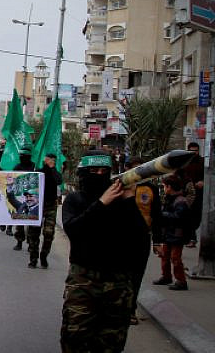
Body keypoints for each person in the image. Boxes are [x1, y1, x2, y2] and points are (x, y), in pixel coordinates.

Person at [60, 150, 149, 352]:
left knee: (111, 342)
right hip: (83, 281)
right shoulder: (75, 200)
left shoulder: (122, 201)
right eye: (93, 170)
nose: (99, 175)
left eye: (104, 171)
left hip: (118, 283)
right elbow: (74, 230)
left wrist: (129, 202)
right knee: (74, 338)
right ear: (83, 172)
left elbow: (141, 239)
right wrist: (101, 204)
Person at [125, 156, 160, 324]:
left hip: (142, 238)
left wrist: (158, 242)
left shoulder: (151, 189)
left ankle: (131, 310)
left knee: (137, 276)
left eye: (142, 168)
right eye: (135, 168)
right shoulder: (120, 186)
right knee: (122, 275)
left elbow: (157, 217)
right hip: (122, 238)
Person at [152, 175, 192, 291]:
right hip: (169, 233)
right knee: (164, 256)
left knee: (175, 258)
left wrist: (162, 215)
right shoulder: (170, 198)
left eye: (164, 186)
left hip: (177, 234)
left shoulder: (181, 201)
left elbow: (179, 218)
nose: (163, 188)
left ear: (169, 187)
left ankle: (181, 281)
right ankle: (166, 276)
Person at [26, 153, 61, 268]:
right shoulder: (39, 172)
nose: (52, 161)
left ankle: (44, 256)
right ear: (45, 160)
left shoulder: (55, 172)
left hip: (51, 206)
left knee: (49, 233)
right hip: (37, 205)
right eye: (49, 159)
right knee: (34, 233)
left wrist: (53, 168)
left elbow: (59, 180)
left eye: (53, 160)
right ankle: (33, 258)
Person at [177, 142, 203, 248]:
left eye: (195, 150)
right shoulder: (183, 162)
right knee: (187, 216)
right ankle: (191, 238)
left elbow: (207, 175)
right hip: (186, 194)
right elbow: (177, 176)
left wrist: (202, 182)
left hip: (198, 193)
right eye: (191, 151)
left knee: (196, 217)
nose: (194, 153)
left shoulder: (202, 162)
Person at [10, 149, 36, 250]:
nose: (22, 158)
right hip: (20, 197)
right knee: (20, 220)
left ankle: (30, 243)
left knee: (31, 222)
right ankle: (19, 242)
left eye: (24, 156)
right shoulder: (17, 167)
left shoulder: (34, 166)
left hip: (32, 197)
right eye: (21, 156)